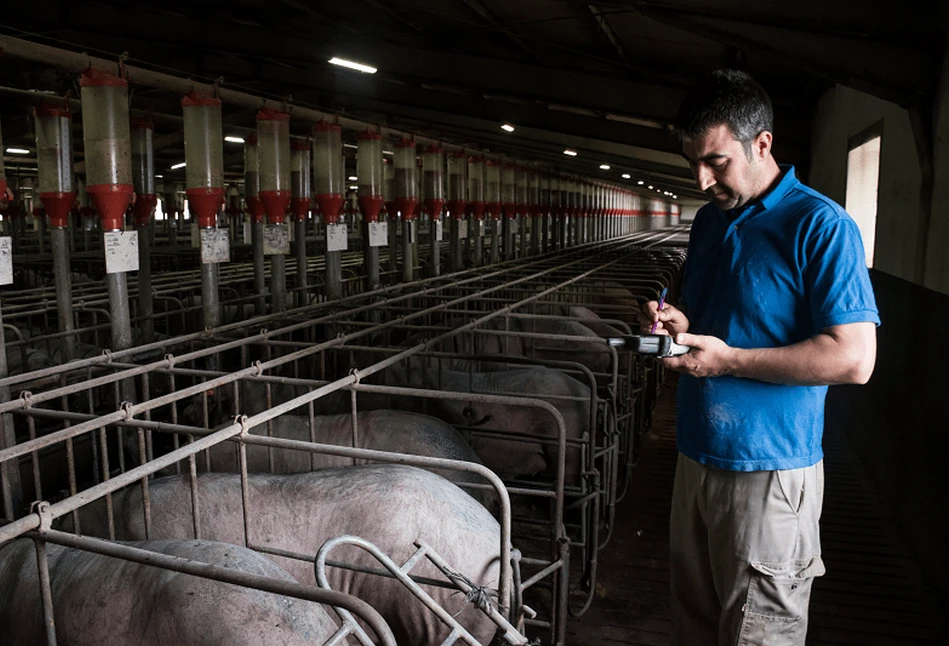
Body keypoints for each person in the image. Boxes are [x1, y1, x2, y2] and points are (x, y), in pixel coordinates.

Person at [638, 69, 880, 645]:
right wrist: (679, 328)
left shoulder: (821, 226)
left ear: (762, 143)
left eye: (716, 161)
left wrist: (728, 362)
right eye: (693, 161)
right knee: (693, 623)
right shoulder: (708, 223)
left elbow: (854, 358)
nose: (701, 179)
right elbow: (713, 323)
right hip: (696, 456)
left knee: (757, 633)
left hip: (771, 471)